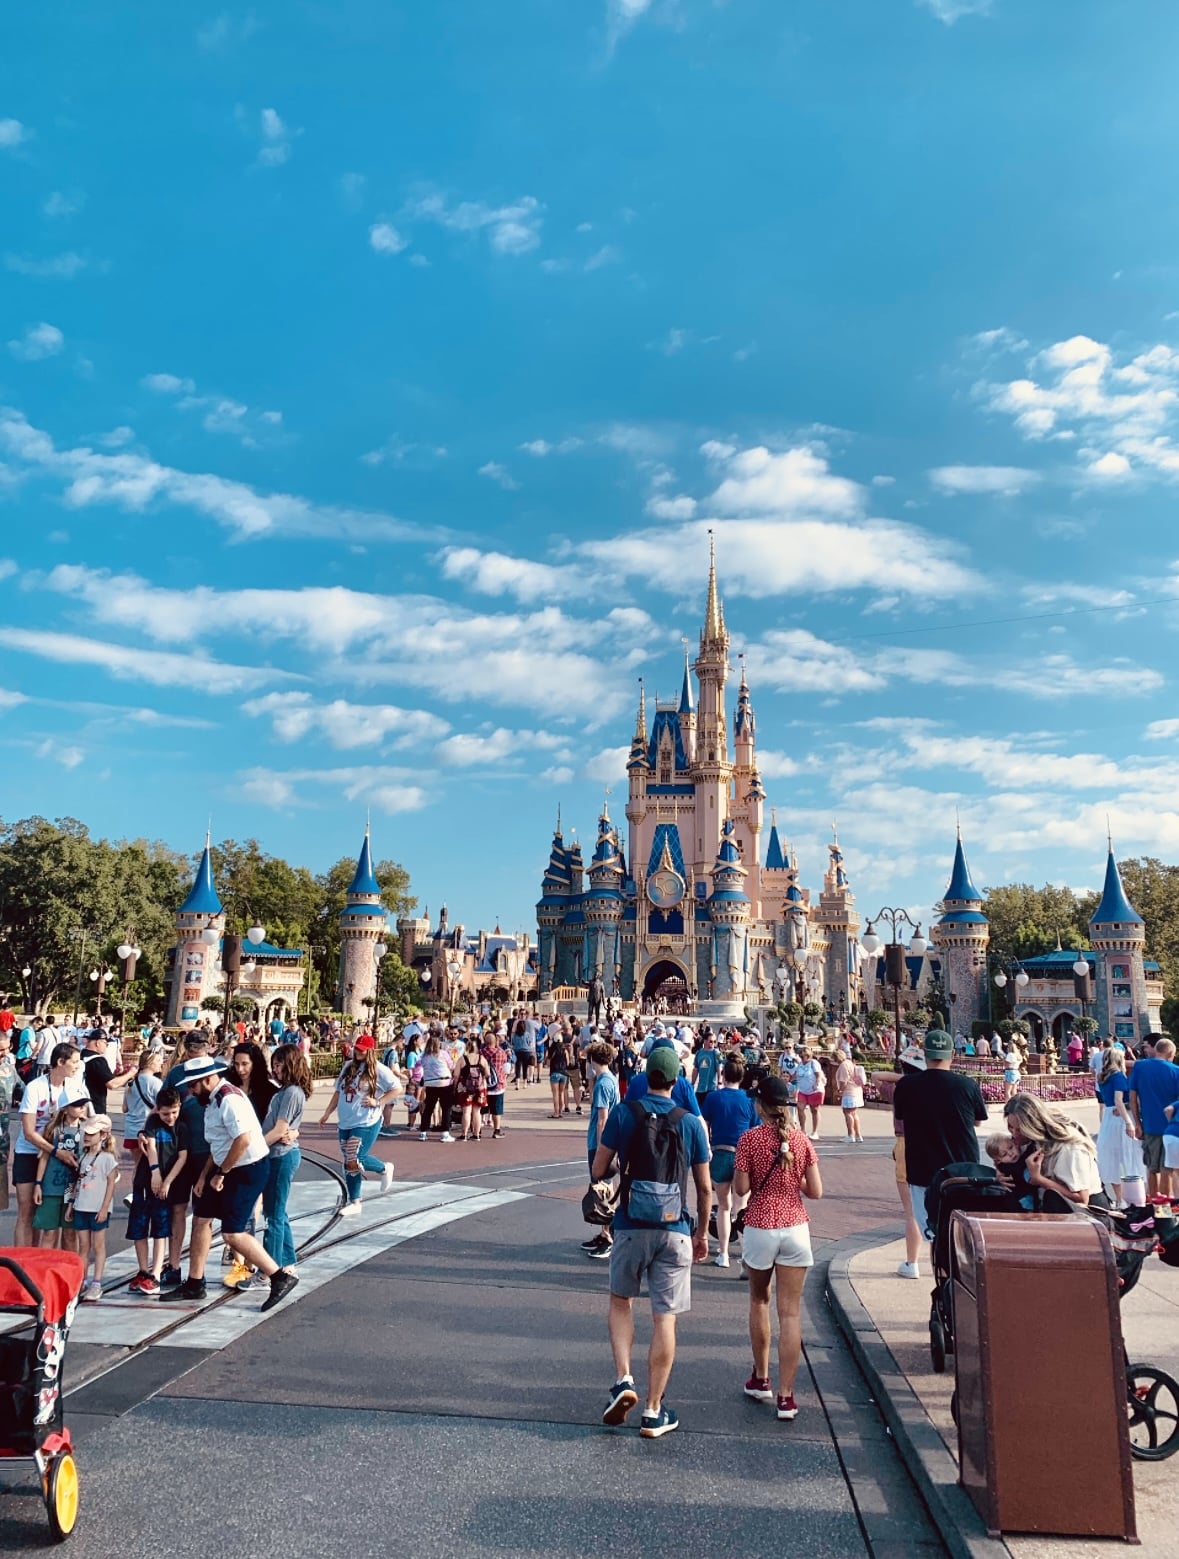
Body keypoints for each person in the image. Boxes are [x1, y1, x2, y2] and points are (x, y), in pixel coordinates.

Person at [591, 1046, 712, 1440]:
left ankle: (624, 1379)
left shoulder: (626, 1113)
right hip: (674, 1227)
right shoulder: (691, 1122)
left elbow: (598, 1169)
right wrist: (701, 1233)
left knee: (620, 1301)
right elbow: (706, 1188)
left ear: (646, 1076)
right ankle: (654, 1410)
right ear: (678, 1081)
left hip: (628, 1223)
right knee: (665, 1317)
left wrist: (618, 1162)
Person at [159, 1056, 299, 1310]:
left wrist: (221, 1174)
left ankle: (279, 1276)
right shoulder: (212, 1100)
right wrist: (204, 1176)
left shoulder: (229, 1099)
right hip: (226, 1167)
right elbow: (220, 1142)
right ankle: (194, 1283)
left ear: (207, 1079)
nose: (189, 1091)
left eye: (193, 1085)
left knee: (232, 1233)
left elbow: (242, 1140)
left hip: (247, 1169)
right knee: (201, 1219)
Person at [734, 1076, 822, 1421]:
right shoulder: (801, 1141)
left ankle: (761, 1377)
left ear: (760, 1106)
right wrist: (792, 1174)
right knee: (791, 1313)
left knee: (759, 1300)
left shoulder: (750, 1139)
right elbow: (815, 1191)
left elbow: (741, 1187)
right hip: (796, 1226)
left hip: (761, 1224)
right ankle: (787, 1396)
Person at [892, 1029, 988, 1241]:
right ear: (952, 1055)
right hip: (962, 1171)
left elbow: (900, 1117)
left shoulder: (907, 1085)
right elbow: (978, 1120)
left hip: (922, 1171)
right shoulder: (967, 1085)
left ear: (925, 1054)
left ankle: (940, 1272)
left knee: (933, 1235)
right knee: (961, 1234)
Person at [13, 1044, 90, 1247]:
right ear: (60, 1062)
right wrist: (57, 1151)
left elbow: (90, 1119)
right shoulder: (35, 1087)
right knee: (27, 1211)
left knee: (58, 1217)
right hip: (30, 1152)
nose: (77, 1065)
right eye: (74, 1061)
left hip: (62, 1156)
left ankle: (48, 1266)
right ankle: (23, 1266)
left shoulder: (76, 1086)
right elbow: (29, 1132)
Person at [320, 1035, 399, 1211]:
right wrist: (327, 1113)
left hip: (366, 1120)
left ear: (370, 1051)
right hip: (346, 1120)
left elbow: (397, 1087)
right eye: (356, 1049)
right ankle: (354, 1200)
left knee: (354, 1158)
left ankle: (383, 1169)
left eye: (361, 1050)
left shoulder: (379, 1069)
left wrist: (378, 1101)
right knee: (349, 1161)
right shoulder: (348, 1066)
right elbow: (338, 1092)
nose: (358, 1052)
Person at [127, 1086, 189, 1295]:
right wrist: (155, 1172)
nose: (170, 1117)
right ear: (158, 1111)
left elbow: (182, 1157)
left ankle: (156, 1272)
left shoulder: (181, 1127)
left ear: (179, 1107)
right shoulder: (153, 1122)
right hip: (147, 1181)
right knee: (139, 1226)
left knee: (161, 1228)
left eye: (173, 1112)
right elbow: (151, 1147)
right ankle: (143, 1270)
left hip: (165, 1185)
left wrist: (167, 1181)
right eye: (165, 1113)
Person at [701, 1056, 759, 1268]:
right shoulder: (748, 1101)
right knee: (741, 1207)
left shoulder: (713, 1098)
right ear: (742, 1077)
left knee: (724, 1206)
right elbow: (754, 1129)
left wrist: (707, 1145)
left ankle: (723, 1253)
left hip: (720, 1153)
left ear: (723, 1075)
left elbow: (704, 1124)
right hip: (742, 1154)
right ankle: (745, 1255)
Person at [1002, 1092, 1105, 1210]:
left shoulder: (1069, 1148)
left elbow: (1082, 1199)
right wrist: (1002, 1174)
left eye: (1020, 1130)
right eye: (1010, 1127)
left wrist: (1039, 1179)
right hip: (1053, 1211)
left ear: (1034, 1126)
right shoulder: (1030, 1141)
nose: (1014, 1134)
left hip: (1086, 1216)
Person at [259, 1044, 310, 1276]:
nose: (275, 1069)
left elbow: (280, 1129)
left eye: (278, 1064)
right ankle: (287, 1261)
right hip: (279, 1155)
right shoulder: (287, 1091)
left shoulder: (291, 1092)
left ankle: (270, 1270)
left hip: (280, 1156)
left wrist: (254, 1148)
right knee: (277, 1211)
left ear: (289, 1065)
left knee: (274, 1216)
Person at [72, 1114, 119, 1301]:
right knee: (83, 1246)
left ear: (103, 1135)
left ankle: (96, 1282)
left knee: (98, 1245)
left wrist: (104, 1207)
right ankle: (82, 1280)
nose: (87, 1136)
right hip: (81, 1206)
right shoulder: (82, 1156)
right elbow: (76, 1181)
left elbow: (111, 1185)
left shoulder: (107, 1159)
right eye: (87, 1133)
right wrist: (71, 1204)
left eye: (92, 1134)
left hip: (98, 1208)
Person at [32, 1098, 89, 1250]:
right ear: (65, 1108)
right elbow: (44, 1157)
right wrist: (38, 1184)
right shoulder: (53, 1129)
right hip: (51, 1188)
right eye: (77, 1105)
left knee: (70, 1234)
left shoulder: (87, 1130)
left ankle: (69, 1270)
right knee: (49, 1233)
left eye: (83, 1105)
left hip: (73, 1190)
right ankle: (45, 1269)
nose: (82, 1108)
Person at [582, 1042, 620, 1260]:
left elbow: (602, 1119)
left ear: (592, 1060)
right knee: (605, 1187)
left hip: (599, 1144)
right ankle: (603, 1232)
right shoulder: (610, 1079)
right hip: (605, 1143)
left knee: (601, 1189)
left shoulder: (602, 1084)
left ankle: (607, 1236)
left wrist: (600, 1149)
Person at [1128, 1037, 1179, 1198]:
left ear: (1156, 1050)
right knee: (1167, 1169)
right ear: (1171, 1053)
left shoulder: (1141, 1067)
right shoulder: (1176, 1071)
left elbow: (1133, 1096)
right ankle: (1164, 1209)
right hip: (1171, 1128)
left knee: (1151, 1167)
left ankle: (1153, 1205)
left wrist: (1137, 1122)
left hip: (1149, 1125)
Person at [892, 1046, 927, 1279]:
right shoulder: (929, 1088)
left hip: (907, 1144)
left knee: (912, 1211)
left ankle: (912, 1263)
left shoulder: (901, 1089)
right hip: (931, 1143)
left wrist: (905, 1079)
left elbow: (875, 1077)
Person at [1094, 1048, 1140, 1203]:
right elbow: (1118, 1101)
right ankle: (1132, 1198)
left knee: (1113, 1157)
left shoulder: (1102, 1077)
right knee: (1128, 1156)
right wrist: (1128, 1121)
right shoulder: (1118, 1076)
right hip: (1120, 1119)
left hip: (1108, 1117)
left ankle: (1120, 1199)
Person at [122, 1048, 164, 1181]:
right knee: (152, 1166)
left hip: (131, 1129)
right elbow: (162, 1105)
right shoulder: (156, 1083)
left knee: (138, 1166)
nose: (161, 1063)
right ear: (150, 1063)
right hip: (148, 1129)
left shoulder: (131, 1082)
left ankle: (135, 1194)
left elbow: (124, 1108)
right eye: (158, 1061)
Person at [81, 1029, 135, 1114]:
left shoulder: (79, 1056)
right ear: (98, 1043)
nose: (107, 1046)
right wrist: (130, 1073)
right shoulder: (97, 1060)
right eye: (106, 1044)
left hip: (79, 1105)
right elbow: (112, 1084)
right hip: (94, 1107)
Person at [417, 1034, 456, 1141]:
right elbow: (452, 1065)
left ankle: (423, 1132)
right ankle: (445, 1133)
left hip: (430, 1083)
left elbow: (419, 1065)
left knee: (429, 1108)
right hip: (444, 1082)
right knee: (446, 1108)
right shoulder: (443, 1053)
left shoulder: (424, 1056)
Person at [983, 1131, 1036, 1210]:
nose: (1011, 1153)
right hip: (1019, 1200)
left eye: (1011, 1147)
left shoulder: (1014, 1159)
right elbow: (1022, 1164)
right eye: (1004, 1154)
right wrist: (1032, 1145)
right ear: (998, 1161)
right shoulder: (1006, 1167)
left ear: (1014, 1143)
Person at [455, 1039, 490, 1142]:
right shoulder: (481, 1058)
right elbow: (488, 1074)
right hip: (480, 1088)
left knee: (466, 1111)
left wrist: (455, 1086)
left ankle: (464, 1134)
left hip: (465, 1088)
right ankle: (476, 1134)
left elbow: (456, 1074)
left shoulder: (462, 1059)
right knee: (477, 1111)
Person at [480, 1027, 511, 1139]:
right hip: (498, 1085)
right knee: (496, 1110)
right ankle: (496, 1131)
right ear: (495, 1041)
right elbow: (506, 1067)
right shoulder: (501, 1053)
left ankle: (477, 1131)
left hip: (483, 1085)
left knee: (481, 1110)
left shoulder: (481, 1053)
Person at [793, 1048, 825, 1141]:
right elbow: (795, 1075)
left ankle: (815, 1131)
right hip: (803, 1090)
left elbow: (818, 1074)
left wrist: (816, 1083)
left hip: (814, 1090)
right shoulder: (800, 1064)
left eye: (805, 1056)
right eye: (801, 1056)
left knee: (814, 1110)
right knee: (800, 1108)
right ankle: (802, 1129)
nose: (803, 1057)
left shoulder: (813, 1063)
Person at [0, 1027, 16, 1216]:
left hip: (1, 1144)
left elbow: (22, 1089)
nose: (3, 1053)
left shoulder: (8, 1069)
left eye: (6, 1048)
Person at [834, 1052, 866, 1143]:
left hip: (849, 1092)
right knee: (854, 1113)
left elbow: (843, 1082)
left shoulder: (843, 1065)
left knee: (847, 1112)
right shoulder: (849, 1062)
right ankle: (858, 1135)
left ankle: (850, 1135)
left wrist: (839, 1091)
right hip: (856, 1091)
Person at [691, 1032, 721, 1108]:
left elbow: (719, 1068)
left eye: (715, 1041)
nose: (713, 1043)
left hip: (712, 1088)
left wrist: (719, 1082)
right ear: (705, 1041)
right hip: (700, 1088)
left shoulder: (716, 1053)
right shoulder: (699, 1052)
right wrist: (692, 1084)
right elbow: (696, 1069)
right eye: (711, 1041)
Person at [547, 1027, 572, 1118]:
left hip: (554, 1072)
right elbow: (568, 1062)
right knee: (561, 1093)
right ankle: (560, 1112)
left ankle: (556, 1112)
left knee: (555, 1094)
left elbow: (548, 1062)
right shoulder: (565, 1050)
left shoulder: (552, 1050)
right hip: (564, 1073)